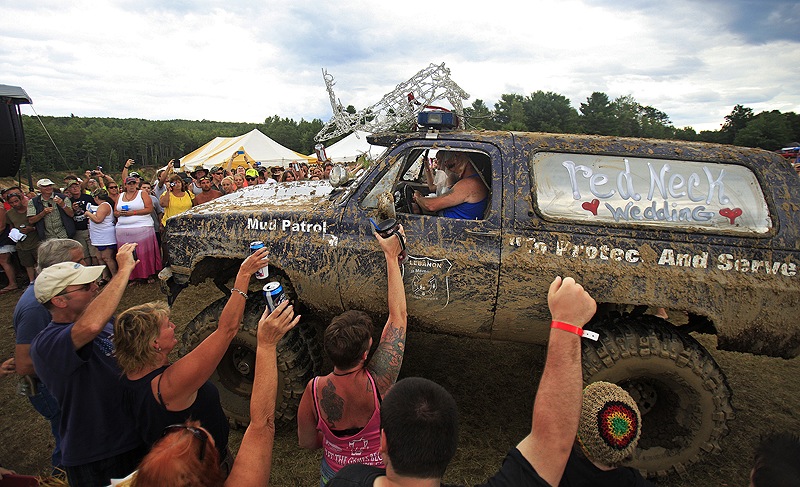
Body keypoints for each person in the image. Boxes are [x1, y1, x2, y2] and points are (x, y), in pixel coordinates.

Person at [329, 275, 597, 487]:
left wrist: (567, 324)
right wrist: (566, 323)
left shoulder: (346, 480)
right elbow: (552, 443)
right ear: (451, 450)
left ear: (383, 443)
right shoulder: (378, 382)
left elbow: (554, 443)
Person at [113, 248, 269, 468]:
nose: (174, 326)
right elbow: (227, 330)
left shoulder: (130, 376)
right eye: (167, 326)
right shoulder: (170, 385)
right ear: (154, 344)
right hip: (205, 470)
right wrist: (243, 275)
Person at [130, 299, 300, 487]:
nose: (194, 427)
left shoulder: (133, 378)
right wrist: (267, 344)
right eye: (200, 438)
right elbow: (262, 424)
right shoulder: (169, 385)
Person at [298, 227, 408, 485]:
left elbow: (306, 442)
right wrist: (391, 257)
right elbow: (398, 318)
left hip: (335, 478)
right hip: (377, 476)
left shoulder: (313, 391)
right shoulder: (380, 382)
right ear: (366, 354)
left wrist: (339, 445)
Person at [30, 244, 146, 486]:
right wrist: (123, 270)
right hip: (98, 455)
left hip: (132, 438)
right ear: (59, 301)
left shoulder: (102, 322)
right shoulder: (47, 344)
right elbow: (89, 328)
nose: (95, 287)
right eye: (85, 287)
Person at [13, 238, 85, 471]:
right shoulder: (35, 306)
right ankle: (63, 476)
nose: (84, 265)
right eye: (79, 262)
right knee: (70, 441)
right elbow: (25, 364)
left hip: (59, 382)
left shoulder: (52, 294)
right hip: (49, 388)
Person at [412, 151, 489, 220]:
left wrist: (418, 197)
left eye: (455, 156)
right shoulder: (469, 181)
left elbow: (430, 206)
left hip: (452, 228)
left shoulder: (470, 184)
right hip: (447, 221)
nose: (445, 163)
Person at [116, 177, 161, 283]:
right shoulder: (120, 196)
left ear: (136, 184)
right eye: (129, 183)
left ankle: (148, 274)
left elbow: (149, 209)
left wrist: (133, 213)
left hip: (142, 228)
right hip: (122, 229)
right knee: (128, 253)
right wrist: (119, 213)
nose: (131, 185)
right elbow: (115, 212)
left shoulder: (142, 194)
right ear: (125, 185)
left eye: (133, 183)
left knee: (144, 253)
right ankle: (132, 276)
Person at [5, 191, 40, 283]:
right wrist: (14, 233)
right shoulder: (9, 214)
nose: (14, 204)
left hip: (35, 240)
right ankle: (32, 282)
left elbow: (40, 225)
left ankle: (42, 281)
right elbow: (11, 225)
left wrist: (31, 229)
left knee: (39, 263)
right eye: (11, 203)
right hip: (21, 243)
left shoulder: (30, 209)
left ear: (20, 200)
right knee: (28, 265)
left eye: (16, 201)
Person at [86, 188, 118, 280]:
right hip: (97, 235)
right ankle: (105, 276)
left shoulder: (104, 205)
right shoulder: (100, 206)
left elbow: (98, 220)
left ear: (96, 197)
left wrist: (88, 213)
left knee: (107, 257)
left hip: (105, 235)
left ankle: (115, 276)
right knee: (99, 257)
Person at [65, 179, 98, 266]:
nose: (75, 188)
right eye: (72, 187)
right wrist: (72, 209)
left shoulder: (88, 197)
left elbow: (96, 209)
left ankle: (98, 277)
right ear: (68, 190)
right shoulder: (68, 201)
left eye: (76, 186)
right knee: (84, 256)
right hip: (77, 231)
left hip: (90, 228)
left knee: (94, 254)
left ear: (80, 187)